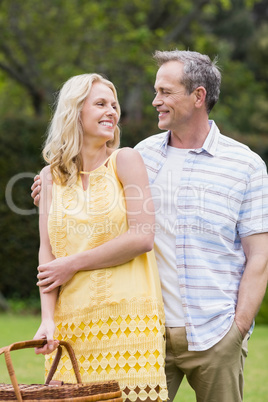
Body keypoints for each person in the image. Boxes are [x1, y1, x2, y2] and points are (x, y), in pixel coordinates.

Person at [31, 51, 268, 402]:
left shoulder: (245, 165)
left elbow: (259, 257)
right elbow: (92, 189)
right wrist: (49, 183)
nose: (155, 100)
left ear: (198, 96)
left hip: (215, 332)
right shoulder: (142, 155)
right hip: (146, 330)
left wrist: (238, 328)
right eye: (155, 91)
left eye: (165, 92)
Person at [33, 73, 168, 402]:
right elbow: (47, 254)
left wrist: (73, 264)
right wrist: (47, 320)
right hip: (71, 323)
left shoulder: (126, 160)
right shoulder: (50, 177)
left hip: (128, 321)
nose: (111, 111)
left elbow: (142, 237)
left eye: (114, 104)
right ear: (74, 111)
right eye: (100, 104)